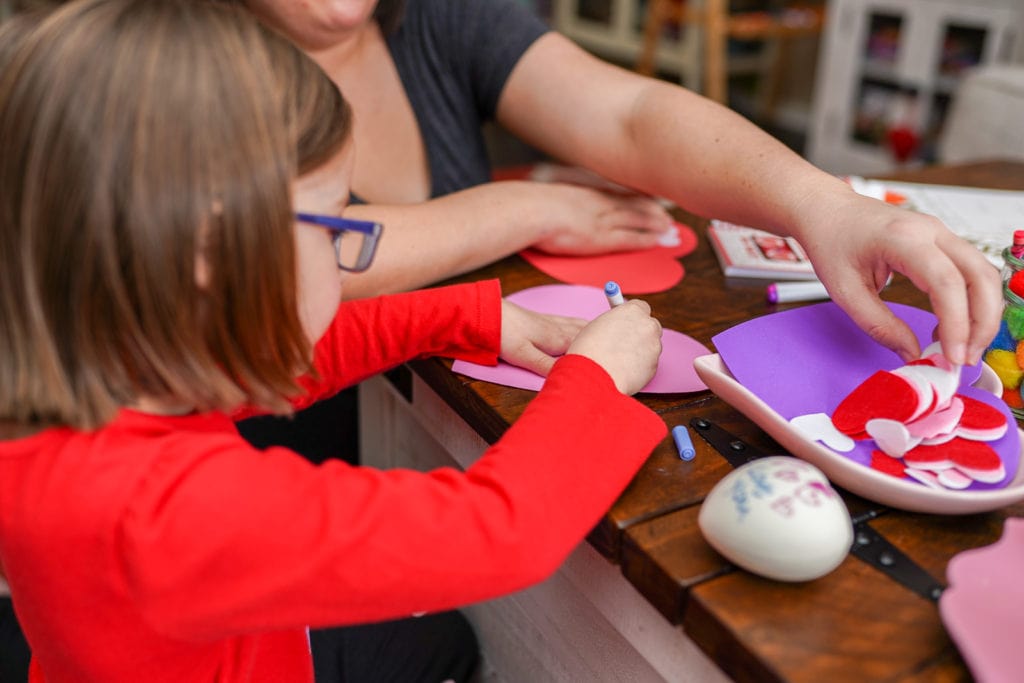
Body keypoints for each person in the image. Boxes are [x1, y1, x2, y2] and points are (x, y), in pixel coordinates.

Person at [0, 1, 666, 682]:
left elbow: (277, 355)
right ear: (212, 247)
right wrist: (594, 377)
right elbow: (496, 531)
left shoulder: (91, 393)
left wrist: (468, 317)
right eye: (332, 227)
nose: (348, 252)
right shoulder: (170, 516)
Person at [231, 0, 999, 367]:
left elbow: (629, 115)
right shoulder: (168, 71)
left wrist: (824, 204)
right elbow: (272, 251)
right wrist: (526, 204)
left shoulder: (439, 14)